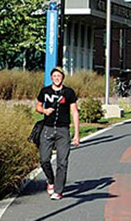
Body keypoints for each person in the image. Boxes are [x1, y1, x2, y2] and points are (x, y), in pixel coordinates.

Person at [35, 68, 80, 201]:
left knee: (62, 162)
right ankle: (51, 180)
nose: (57, 78)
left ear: (63, 77)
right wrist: (44, 110)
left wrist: (76, 134)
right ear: (51, 77)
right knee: (44, 160)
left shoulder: (69, 92)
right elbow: (37, 107)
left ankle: (58, 190)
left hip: (63, 130)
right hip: (47, 129)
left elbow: (75, 112)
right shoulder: (45, 91)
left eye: (59, 76)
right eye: (54, 76)